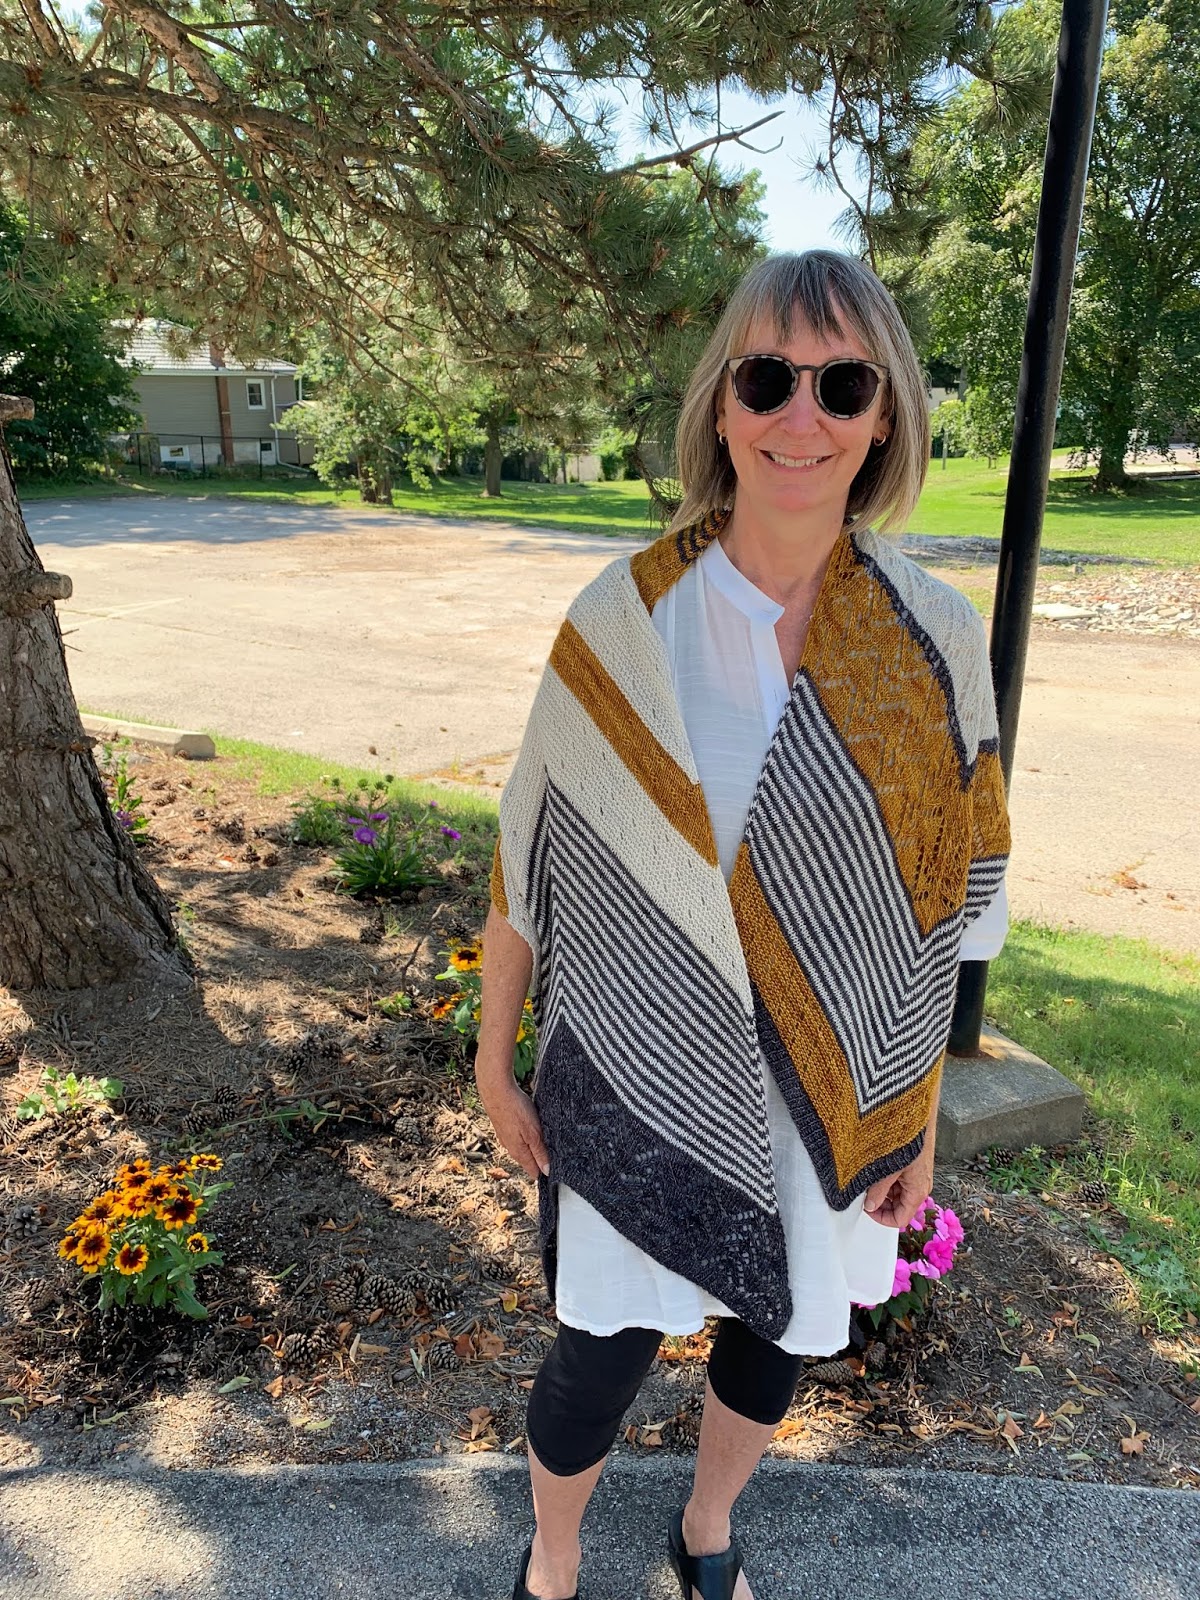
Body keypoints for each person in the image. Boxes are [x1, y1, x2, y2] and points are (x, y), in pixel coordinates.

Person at [477, 250, 1011, 1600]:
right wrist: (493, 1058)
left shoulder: (933, 640)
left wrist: (916, 1121)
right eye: (768, 378)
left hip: (830, 1084)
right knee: (600, 1348)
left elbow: (953, 907)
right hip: (637, 1066)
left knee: (778, 1334)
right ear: (722, 406)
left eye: (843, 386)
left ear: (885, 418)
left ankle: (707, 1528)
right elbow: (527, 858)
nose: (800, 417)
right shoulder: (626, 617)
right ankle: (553, 1560)